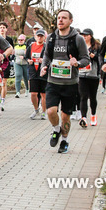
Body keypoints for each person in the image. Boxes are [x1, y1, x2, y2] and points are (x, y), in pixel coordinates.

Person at [40, 10, 90, 153]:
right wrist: (44, 67)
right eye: (59, 18)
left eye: (64, 18)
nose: (60, 20)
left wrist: (77, 63)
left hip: (70, 83)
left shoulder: (77, 39)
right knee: (50, 111)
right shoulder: (50, 38)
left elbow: (86, 59)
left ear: (70, 21)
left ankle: (64, 141)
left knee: (65, 116)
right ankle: (56, 130)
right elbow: (47, 56)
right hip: (53, 82)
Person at [78, 28, 101, 127]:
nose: (84, 37)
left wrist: (93, 57)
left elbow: (100, 59)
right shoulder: (80, 46)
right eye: (83, 35)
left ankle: (93, 115)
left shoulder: (97, 47)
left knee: (92, 97)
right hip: (82, 74)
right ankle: (83, 118)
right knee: (83, 96)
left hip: (93, 75)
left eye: (86, 35)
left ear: (90, 36)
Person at [26, 26, 48, 120]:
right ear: (35, 37)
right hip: (33, 72)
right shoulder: (31, 46)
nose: (39, 38)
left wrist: (44, 61)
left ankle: (44, 112)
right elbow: (26, 57)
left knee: (43, 94)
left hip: (43, 73)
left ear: (44, 37)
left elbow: (51, 59)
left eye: (41, 36)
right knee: (33, 93)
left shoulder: (47, 47)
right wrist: (29, 61)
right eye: (38, 36)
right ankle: (36, 110)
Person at [0, 22, 13, 112]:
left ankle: (2, 100)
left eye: (4, 27)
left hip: (5, 63)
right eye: (1, 27)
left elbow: (11, 50)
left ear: (6, 29)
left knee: (4, 82)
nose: (2, 29)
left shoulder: (9, 39)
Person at [13, 33, 29, 98]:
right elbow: (13, 54)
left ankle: (27, 89)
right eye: (19, 40)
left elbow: (28, 55)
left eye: (21, 40)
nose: (20, 41)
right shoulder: (15, 46)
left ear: (24, 40)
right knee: (18, 75)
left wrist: (24, 57)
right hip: (17, 63)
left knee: (26, 77)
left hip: (25, 63)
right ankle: (17, 92)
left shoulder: (27, 46)